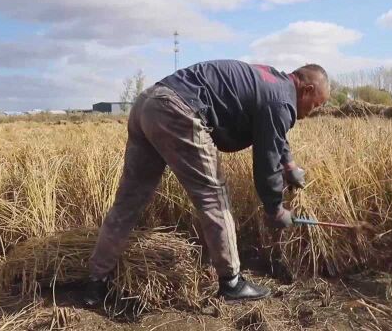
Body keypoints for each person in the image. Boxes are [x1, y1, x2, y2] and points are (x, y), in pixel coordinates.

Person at [84, 60, 330, 305]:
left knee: (129, 200)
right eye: (316, 105)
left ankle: (96, 280)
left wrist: (289, 166)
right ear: (306, 89)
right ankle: (232, 283)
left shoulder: (273, 83)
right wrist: (275, 208)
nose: (312, 112)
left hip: (148, 103)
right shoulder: (282, 100)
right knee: (213, 195)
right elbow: (267, 161)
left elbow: (275, 134)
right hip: (178, 109)